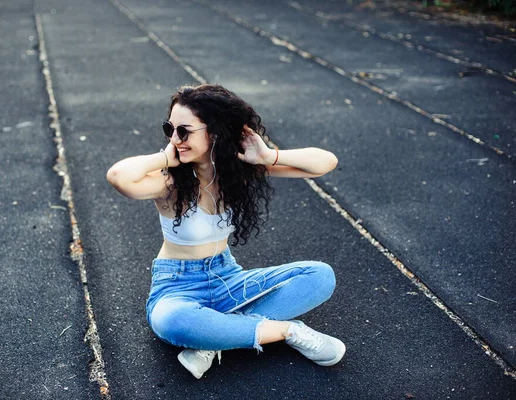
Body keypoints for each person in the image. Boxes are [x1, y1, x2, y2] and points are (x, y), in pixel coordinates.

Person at [106, 84, 345, 379]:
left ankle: (218, 336)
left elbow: (325, 162)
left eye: (184, 131)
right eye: (170, 129)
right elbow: (119, 177)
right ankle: (286, 331)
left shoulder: (237, 171)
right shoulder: (170, 182)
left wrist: (267, 155)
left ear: (215, 131)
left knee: (320, 277)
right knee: (173, 322)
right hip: (177, 285)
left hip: (226, 277)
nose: (174, 138)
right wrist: (167, 157)